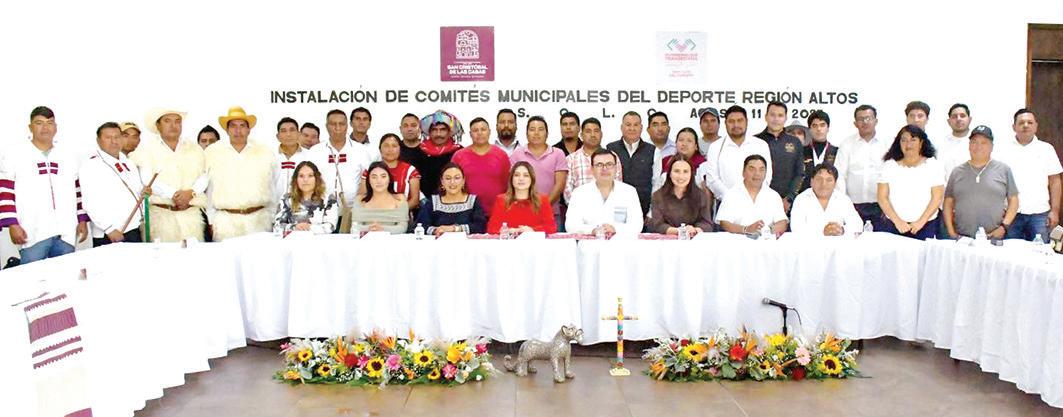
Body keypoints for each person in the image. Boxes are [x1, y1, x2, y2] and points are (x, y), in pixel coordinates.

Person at [0, 106, 89, 263]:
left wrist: (81, 219)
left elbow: (77, 189)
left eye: (50, 123)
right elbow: (5, 191)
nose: (45, 127)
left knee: (65, 274)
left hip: (65, 231)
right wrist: (12, 224)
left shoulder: (67, 155)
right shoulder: (15, 154)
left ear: (56, 127)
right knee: (32, 276)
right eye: (39, 123)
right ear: (30, 127)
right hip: (32, 231)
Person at [128, 108, 208, 242]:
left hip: (190, 217)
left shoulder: (194, 148)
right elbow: (147, 179)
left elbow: (204, 175)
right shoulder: (146, 149)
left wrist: (191, 193)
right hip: (160, 217)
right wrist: (173, 195)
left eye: (177, 121)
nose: (173, 125)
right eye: (167, 121)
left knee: (193, 253)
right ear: (158, 125)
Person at [204, 106, 276, 241]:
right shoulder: (213, 153)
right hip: (225, 224)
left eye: (242, 125)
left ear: (249, 129)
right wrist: (211, 220)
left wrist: (272, 218)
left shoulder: (264, 152)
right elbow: (209, 189)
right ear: (227, 130)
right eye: (233, 126)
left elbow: (273, 187)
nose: (238, 130)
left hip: (259, 223)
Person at [79, 122, 151, 246]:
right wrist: (109, 229)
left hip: (133, 228)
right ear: (98, 141)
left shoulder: (128, 163)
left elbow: (136, 189)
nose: (114, 141)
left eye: (117, 137)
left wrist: (144, 191)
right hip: (111, 233)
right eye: (108, 137)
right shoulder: (91, 165)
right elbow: (90, 202)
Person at [997, 109, 1062, 242]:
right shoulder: (1002, 150)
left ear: (1036, 126)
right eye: (1021, 123)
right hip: (1010, 215)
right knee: (1010, 252)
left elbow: (1055, 182)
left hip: (1040, 215)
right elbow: (996, 182)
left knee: (1040, 253)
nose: (1026, 125)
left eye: (1030, 122)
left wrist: (1055, 211)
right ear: (1014, 127)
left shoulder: (1046, 149)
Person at [943, 126, 1019, 239]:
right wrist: (951, 232)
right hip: (962, 238)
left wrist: (1004, 227)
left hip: (994, 237)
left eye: (984, 143)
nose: (978, 146)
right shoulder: (957, 172)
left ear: (992, 146)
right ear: (969, 145)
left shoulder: (1003, 170)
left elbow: (1013, 200)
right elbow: (948, 202)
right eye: (974, 142)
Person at [876, 125, 945, 240]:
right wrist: (898, 221)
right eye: (904, 140)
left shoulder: (933, 165)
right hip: (894, 225)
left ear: (921, 143)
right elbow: (882, 197)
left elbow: (937, 198)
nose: (908, 144)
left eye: (913, 140)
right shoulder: (889, 166)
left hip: (925, 225)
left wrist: (920, 222)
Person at [311, 109, 371, 232]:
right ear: (326, 126)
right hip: (321, 214)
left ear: (347, 126)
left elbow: (368, 180)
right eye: (333, 124)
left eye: (341, 124)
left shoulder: (360, 150)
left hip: (352, 213)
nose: (337, 128)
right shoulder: (315, 151)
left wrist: (360, 204)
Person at [699, 105, 773, 202]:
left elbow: (767, 176)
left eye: (740, 120)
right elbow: (712, 179)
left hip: (756, 202)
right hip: (725, 203)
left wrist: (753, 196)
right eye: (731, 121)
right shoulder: (715, 147)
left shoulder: (760, 145)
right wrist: (731, 198)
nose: (736, 125)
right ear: (725, 123)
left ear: (746, 122)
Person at [834, 104, 890, 230]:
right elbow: (840, 175)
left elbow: (893, 174)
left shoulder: (888, 143)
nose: (865, 122)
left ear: (876, 121)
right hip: (854, 205)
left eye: (868, 118)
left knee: (883, 239)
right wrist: (842, 203)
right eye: (860, 119)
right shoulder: (847, 144)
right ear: (855, 123)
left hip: (882, 205)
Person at [565, 149, 644, 237]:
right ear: (592, 169)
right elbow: (570, 225)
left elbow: (637, 225)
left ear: (616, 168)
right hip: (589, 243)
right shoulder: (579, 193)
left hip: (620, 242)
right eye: (599, 165)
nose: (605, 169)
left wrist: (615, 228)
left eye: (609, 164)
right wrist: (592, 230)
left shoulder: (629, 192)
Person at [509, 116, 568, 227]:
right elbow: (512, 184)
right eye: (532, 129)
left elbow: (560, 184)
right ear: (526, 133)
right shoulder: (517, 154)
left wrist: (543, 207)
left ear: (547, 133)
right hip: (522, 213)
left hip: (551, 213)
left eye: (540, 129)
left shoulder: (558, 153)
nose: (536, 133)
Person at [451, 117, 510, 217]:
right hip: (466, 212)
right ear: (470, 134)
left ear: (489, 132)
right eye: (475, 130)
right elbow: (452, 184)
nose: (479, 133)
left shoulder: (501, 155)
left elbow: (507, 184)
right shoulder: (459, 156)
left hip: (496, 212)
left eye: (483, 129)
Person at [717, 155, 788, 237]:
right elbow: (724, 223)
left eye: (761, 169)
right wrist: (746, 229)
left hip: (765, 241)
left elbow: (782, 223)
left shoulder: (773, 196)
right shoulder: (732, 194)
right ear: (743, 172)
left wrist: (767, 230)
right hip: (737, 241)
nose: (757, 174)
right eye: (752, 169)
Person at [754, 101, 804, 212]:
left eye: (780, 115)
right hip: (759, 201)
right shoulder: (754, 141)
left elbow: (800, 173)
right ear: (766, 117)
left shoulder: (795, 142)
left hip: (787, 204)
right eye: (772, 115)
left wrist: (789, 198)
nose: (776, 119)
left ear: (786, 118)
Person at [403, 110, 464, 198]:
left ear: (449, 132)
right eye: (434, 130)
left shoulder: (459, 152)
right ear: (429, 132)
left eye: (442, 130)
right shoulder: (418, 152)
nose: (438, 134)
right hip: (423, 202)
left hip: (453, 200)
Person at [790, 164, 863, 237]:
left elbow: (858, 225)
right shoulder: (801, 199)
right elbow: (796, 228)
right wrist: (823, 231)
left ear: (835, 183)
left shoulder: (843, 199)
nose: (823, 184)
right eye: (819, 179)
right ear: (811, 182)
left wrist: (842, 230)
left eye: (829, 180)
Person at [648, 155, 713, 236]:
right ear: (669, 173)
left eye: (685, 171)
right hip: (667, 240)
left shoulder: (701, 196)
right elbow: (658, 225)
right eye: (676, 171)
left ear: (691, 174)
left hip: (693, 238)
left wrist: (695, 230)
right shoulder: (658, 196)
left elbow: (707, 223)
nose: (681, 176)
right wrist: (680, 231)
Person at [414, 163, 487, 235]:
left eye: (457, 178)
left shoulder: (473, 201)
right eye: (448, 178)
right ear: (442, 182)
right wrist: (436, 230)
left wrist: (455, 229)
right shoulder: (433, 202)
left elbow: (480, 227)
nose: (452, 182)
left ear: (463, 181)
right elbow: (420, 226)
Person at [606, 111, 656, 216]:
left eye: (636, 125)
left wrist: (651, 212)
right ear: (621, 127)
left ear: (641, 128)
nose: (632, 128)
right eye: (628, 125)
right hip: (616, 207)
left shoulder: (653, 150)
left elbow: (656, 183)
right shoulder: (610, 149)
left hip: (644, 209)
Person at [564, 118, 623, 203]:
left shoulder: (612, 157)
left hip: (609, 208)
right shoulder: (571, 159)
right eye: (588, 131)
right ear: (581, 135)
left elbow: (618, 186)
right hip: (581, 208)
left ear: (601, 134)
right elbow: (567, 191)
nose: (593, 135)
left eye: (596, 131)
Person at [487, 162, 556, 234]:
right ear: (511, 179)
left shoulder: (543, 200)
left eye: (526, 175)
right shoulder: (501, 200)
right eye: (517, 175)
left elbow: (551, 227)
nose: (521, 179)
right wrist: (510, 231)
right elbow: (492, 228)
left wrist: (532, 230)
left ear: (532, 179)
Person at [357, 134, 421, 210]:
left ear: (400, 149)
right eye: (386, 146)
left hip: (401, 215)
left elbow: (414, 200)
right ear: (380, 149)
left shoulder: (410, 170)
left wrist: (398, 212)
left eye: (394, 146)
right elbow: (362, 197)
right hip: (373, 215)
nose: (390, 150)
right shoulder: (370, 170)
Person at [273, 161, 339, 234]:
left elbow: (330, 226)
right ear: (296, 179)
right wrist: (295, 227)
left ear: (316, 178)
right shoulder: (286, 199)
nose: (305, 180)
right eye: (301, 176)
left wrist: (309, 228)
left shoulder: (329, 199)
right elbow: (277, 227)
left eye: (310, 176)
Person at [350, 161, 409, 233]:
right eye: (374, 177)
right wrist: (370, 228)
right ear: (369, 180)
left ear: (389, 179)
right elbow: (354, 227)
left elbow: (403, 227)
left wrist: (383, 229)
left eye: (383, 176)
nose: (379, 181)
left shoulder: (399, 199)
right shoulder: (360, 200)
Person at [273, 117, 309, 203]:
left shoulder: (309, 156)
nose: (288, 134)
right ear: (278, 136)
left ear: (299, 134)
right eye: (283, 131)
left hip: (302, 206)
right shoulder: (270, 156)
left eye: (292, 130)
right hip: (274, 207)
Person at [800, 110, 838, 192]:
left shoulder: (837, 152)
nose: (819, 129)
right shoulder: (801, 152)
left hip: (830, 196)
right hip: (804, 196)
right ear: (809, 129)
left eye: (822, 125)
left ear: (828, 128)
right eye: (814, 126)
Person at [938, 103, 973, 176]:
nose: (958, 119)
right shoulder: (940, 145)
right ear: (949, 121)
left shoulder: (980, 142)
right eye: (954, 117)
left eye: (962, 116)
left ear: (969, 119)